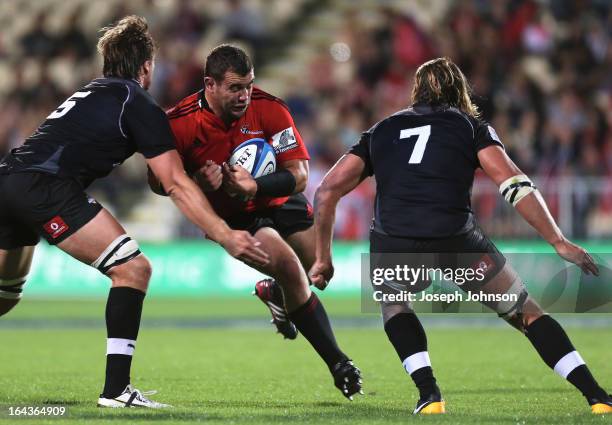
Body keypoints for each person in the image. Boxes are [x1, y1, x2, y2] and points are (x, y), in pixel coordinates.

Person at [309, 57, 611, 415]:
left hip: (396, 241)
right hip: (455, 239)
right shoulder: (470, 127)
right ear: (460, 90)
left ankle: (429, 395)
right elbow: (514, 184)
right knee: (524, 313)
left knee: (395, 304)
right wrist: (557, 240)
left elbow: (326, 192)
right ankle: (597, 397)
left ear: (416, 91)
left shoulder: (381, 130)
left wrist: (323, 259)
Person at [0, 16, 268, 408]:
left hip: (10, 178)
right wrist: (225, 234)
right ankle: (116, 391)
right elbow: (173, 184)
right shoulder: (137, 102)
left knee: (5, 295)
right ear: (146, 67)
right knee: (133, 269)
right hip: (44, 187)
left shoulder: (92, 91)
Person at [149, 44, 362, 400]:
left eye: (248, 85)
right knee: (291, 269)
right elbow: (156, 181)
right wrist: (198, 181)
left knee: (318, 273)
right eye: (235, 87)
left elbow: (299, 175)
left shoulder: (270, 108)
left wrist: (255, 184)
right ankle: (339, 363)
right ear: (210, 84)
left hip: (278, 198)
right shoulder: (180, 122)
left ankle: (276, 293)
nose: (244, 95)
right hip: (235, 216)